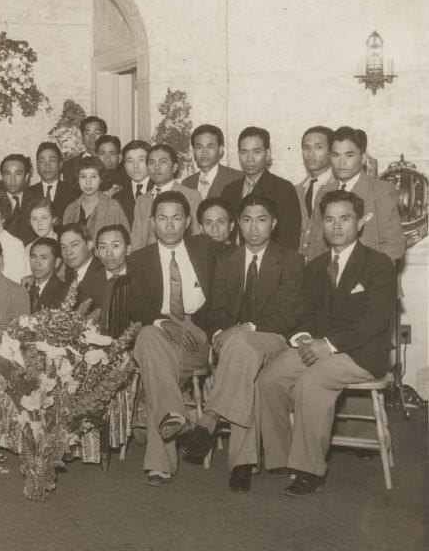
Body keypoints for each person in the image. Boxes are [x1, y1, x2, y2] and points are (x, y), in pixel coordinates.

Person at [256, 189, 396, 496]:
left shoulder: (379, 263)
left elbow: (377, 320)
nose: (336, 226)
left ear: (360, 223)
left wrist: (328, 345)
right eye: (329, 219)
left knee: (312, 381)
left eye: (344, 219)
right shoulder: (316, 266)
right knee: (270, 379)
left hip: (362, 353)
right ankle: (281, 459)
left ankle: (309, 471)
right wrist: (304, 336)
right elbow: (305, 313)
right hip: (321, 345)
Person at [178, 194, 304, 492]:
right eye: (246, 220)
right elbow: (216, 308)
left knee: (241, 348)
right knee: (239, 353)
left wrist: (243, 329)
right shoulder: (226, 259)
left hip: (272, 338)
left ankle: (213, 426)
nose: (253, 228)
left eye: (261, 220)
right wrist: (221, 332)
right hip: (233, 342)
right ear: (238, 224)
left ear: (273, 223)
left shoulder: (291, 260)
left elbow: (285, 314)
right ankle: (241, 463)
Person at [126, 191, 217, 486]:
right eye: (162, 218)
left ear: (188, 221)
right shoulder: (139, 259)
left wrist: (199, 329)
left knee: (155, 368)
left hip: (197, 333)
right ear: (152, 222)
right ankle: (174, 418)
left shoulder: (207, 251)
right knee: (150, 337)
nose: (169, 225)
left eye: (177, 218)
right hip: (161, 331)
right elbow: (136, 304)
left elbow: (226, 297)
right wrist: (164, 321)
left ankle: (167, 432)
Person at [307, 126, 405, 262]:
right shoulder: (324, 191)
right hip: (329, 276)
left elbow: (394, 245)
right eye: (336, 155)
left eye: (349, 155)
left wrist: (371, 276)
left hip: (368, 276)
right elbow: (316, 243)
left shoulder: (381, 190)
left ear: (363, 158)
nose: (342, 162)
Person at [220, 127, 302, 251]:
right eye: (244, 152)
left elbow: (289, 240)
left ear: (267, 154)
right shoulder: (229, 190)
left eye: (256, 152)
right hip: (233, 264)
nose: (249, 158)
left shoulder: (283, 189)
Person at [130, 143, 201, 250]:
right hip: (147, 261)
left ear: (174, 167)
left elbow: (196, 235)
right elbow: (137, 240)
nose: (156, 167)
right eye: (151, 163)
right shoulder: (142, 200)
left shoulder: (190, 195)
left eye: (162, 162)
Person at [62, 156, 130, 242]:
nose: (88, 182)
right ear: (77, 179)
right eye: (83, 177)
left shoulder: (113, 206)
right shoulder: (70, 209)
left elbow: (126, 240)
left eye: (93, 177)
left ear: (101, 179)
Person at [295, 126, 334, 260]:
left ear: (331, 151)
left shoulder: (340, 188)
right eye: (306, 148)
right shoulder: (296, 190)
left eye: (318, 147)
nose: (311, 153)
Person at [182, 124, 243, 200]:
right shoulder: (186, 184)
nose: (204, 152)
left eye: (210, 146)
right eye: (199, 147)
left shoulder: (238, 179)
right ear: (193, 151)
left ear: (220, 150)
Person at [57, 223, 107, 311]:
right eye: (63, 247)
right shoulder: (69, 273)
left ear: (89, 245)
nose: (68, 252)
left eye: (74, 245)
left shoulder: (103, 273)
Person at [26, 142, 78, 219]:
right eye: (42, 161)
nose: (47, 165)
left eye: (52, 160)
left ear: (60, 164)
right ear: (37, 166)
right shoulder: (28, 193)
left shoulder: (73, 192)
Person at [95, 224, 131, 333]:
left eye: (115, 246)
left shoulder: (142, 279)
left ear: (128, 249)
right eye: (103, 247)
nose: (109, 253)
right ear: (96, 252)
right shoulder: (88, 284)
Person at [113, 139, 152, 226]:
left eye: (141, 160)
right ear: (124, 165)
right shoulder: (117, 197)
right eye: (130, 161)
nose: (135, 166)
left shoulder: (160, 191)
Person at [0, 154, 36, 243]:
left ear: (27, 177)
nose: (12, 179)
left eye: (18, 174)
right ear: (2, 177)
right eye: (7, 174)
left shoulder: (37, 201)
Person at [62, 115, 106, 185]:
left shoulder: (110, 162)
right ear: (82, 137)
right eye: (87, 133)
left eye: (97, 133)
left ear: (104, 136)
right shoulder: (69, 166)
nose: (92, 137)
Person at [27, 237, 67, 311]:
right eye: (34, 257)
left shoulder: (64, 293)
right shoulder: (26, 288)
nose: (37, 262)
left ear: (57, 262)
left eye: (44, 258)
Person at [24, 197, 59, 262]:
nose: (39, 223)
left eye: (44, 218)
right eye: (34, 219)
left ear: (54, 219)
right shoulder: (29, 248)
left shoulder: (62, 244)